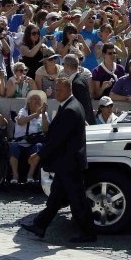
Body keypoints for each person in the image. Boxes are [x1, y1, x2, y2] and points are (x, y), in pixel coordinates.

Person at [20, 76, 96, 243]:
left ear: (69, 90)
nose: (56, 93)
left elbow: (57, 140)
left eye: (59, 90)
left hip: (69, 162)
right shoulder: (70, 105)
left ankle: (88, 233)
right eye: (55, 89)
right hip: (66, 162)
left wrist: (38, 155)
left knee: (78, 200)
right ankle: (40, 225)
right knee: (56, 197)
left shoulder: (70, 109)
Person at [9, 90, 50, 184]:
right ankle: (15, 175)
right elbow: (20, 121)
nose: (37, 101)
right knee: (12, 146)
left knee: (39, 147)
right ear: (29, 102)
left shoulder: (45, 115)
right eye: (34, 99)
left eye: (39, 99)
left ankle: (30, 175)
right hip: (20, 142)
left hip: (34, 143)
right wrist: (36, 114)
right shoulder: (23, 111)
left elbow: (46, 130)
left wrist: (42, 114)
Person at [63, 54, 95, 126]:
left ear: (67, 66)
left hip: (84, 125)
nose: (63, 66)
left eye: (63, 64)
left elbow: (82, 106)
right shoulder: (81, 78)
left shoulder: (77, 83)